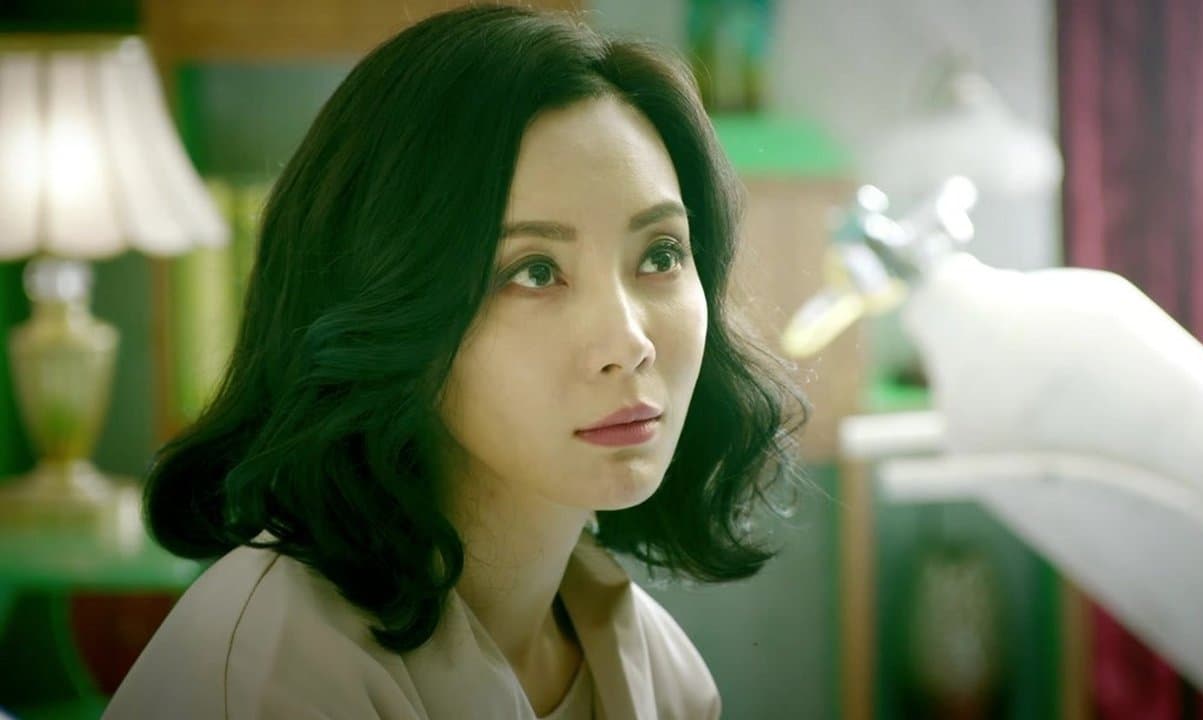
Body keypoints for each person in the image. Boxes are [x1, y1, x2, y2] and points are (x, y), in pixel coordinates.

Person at [104, 4, 807, 718]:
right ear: (389, 304)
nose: (629, 343)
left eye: (660, 255)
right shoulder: (273, 668)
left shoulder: (666, 677)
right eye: (535, 271)